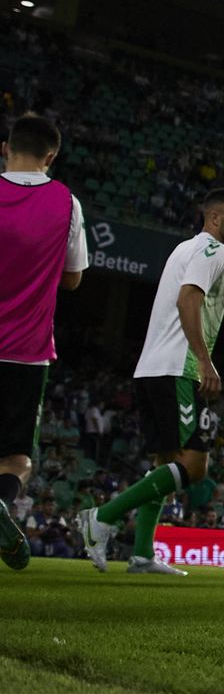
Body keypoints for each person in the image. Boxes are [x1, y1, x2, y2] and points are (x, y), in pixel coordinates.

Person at [79, 189, 224, 577]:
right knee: (194, 465)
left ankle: (141, 553)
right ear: (214, 219)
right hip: (179, 367)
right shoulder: (214, 251)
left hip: (151, 366)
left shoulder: (183, 248)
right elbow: (189, 301)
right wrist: (205, 362)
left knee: (165, 463)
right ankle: (101, 517)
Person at [0, 114, 86, 572]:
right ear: (51, 157)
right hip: (26, 352)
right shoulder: (66, 203)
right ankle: (1, 502)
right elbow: (73, 278)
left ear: (5, 147)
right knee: (16, 457)